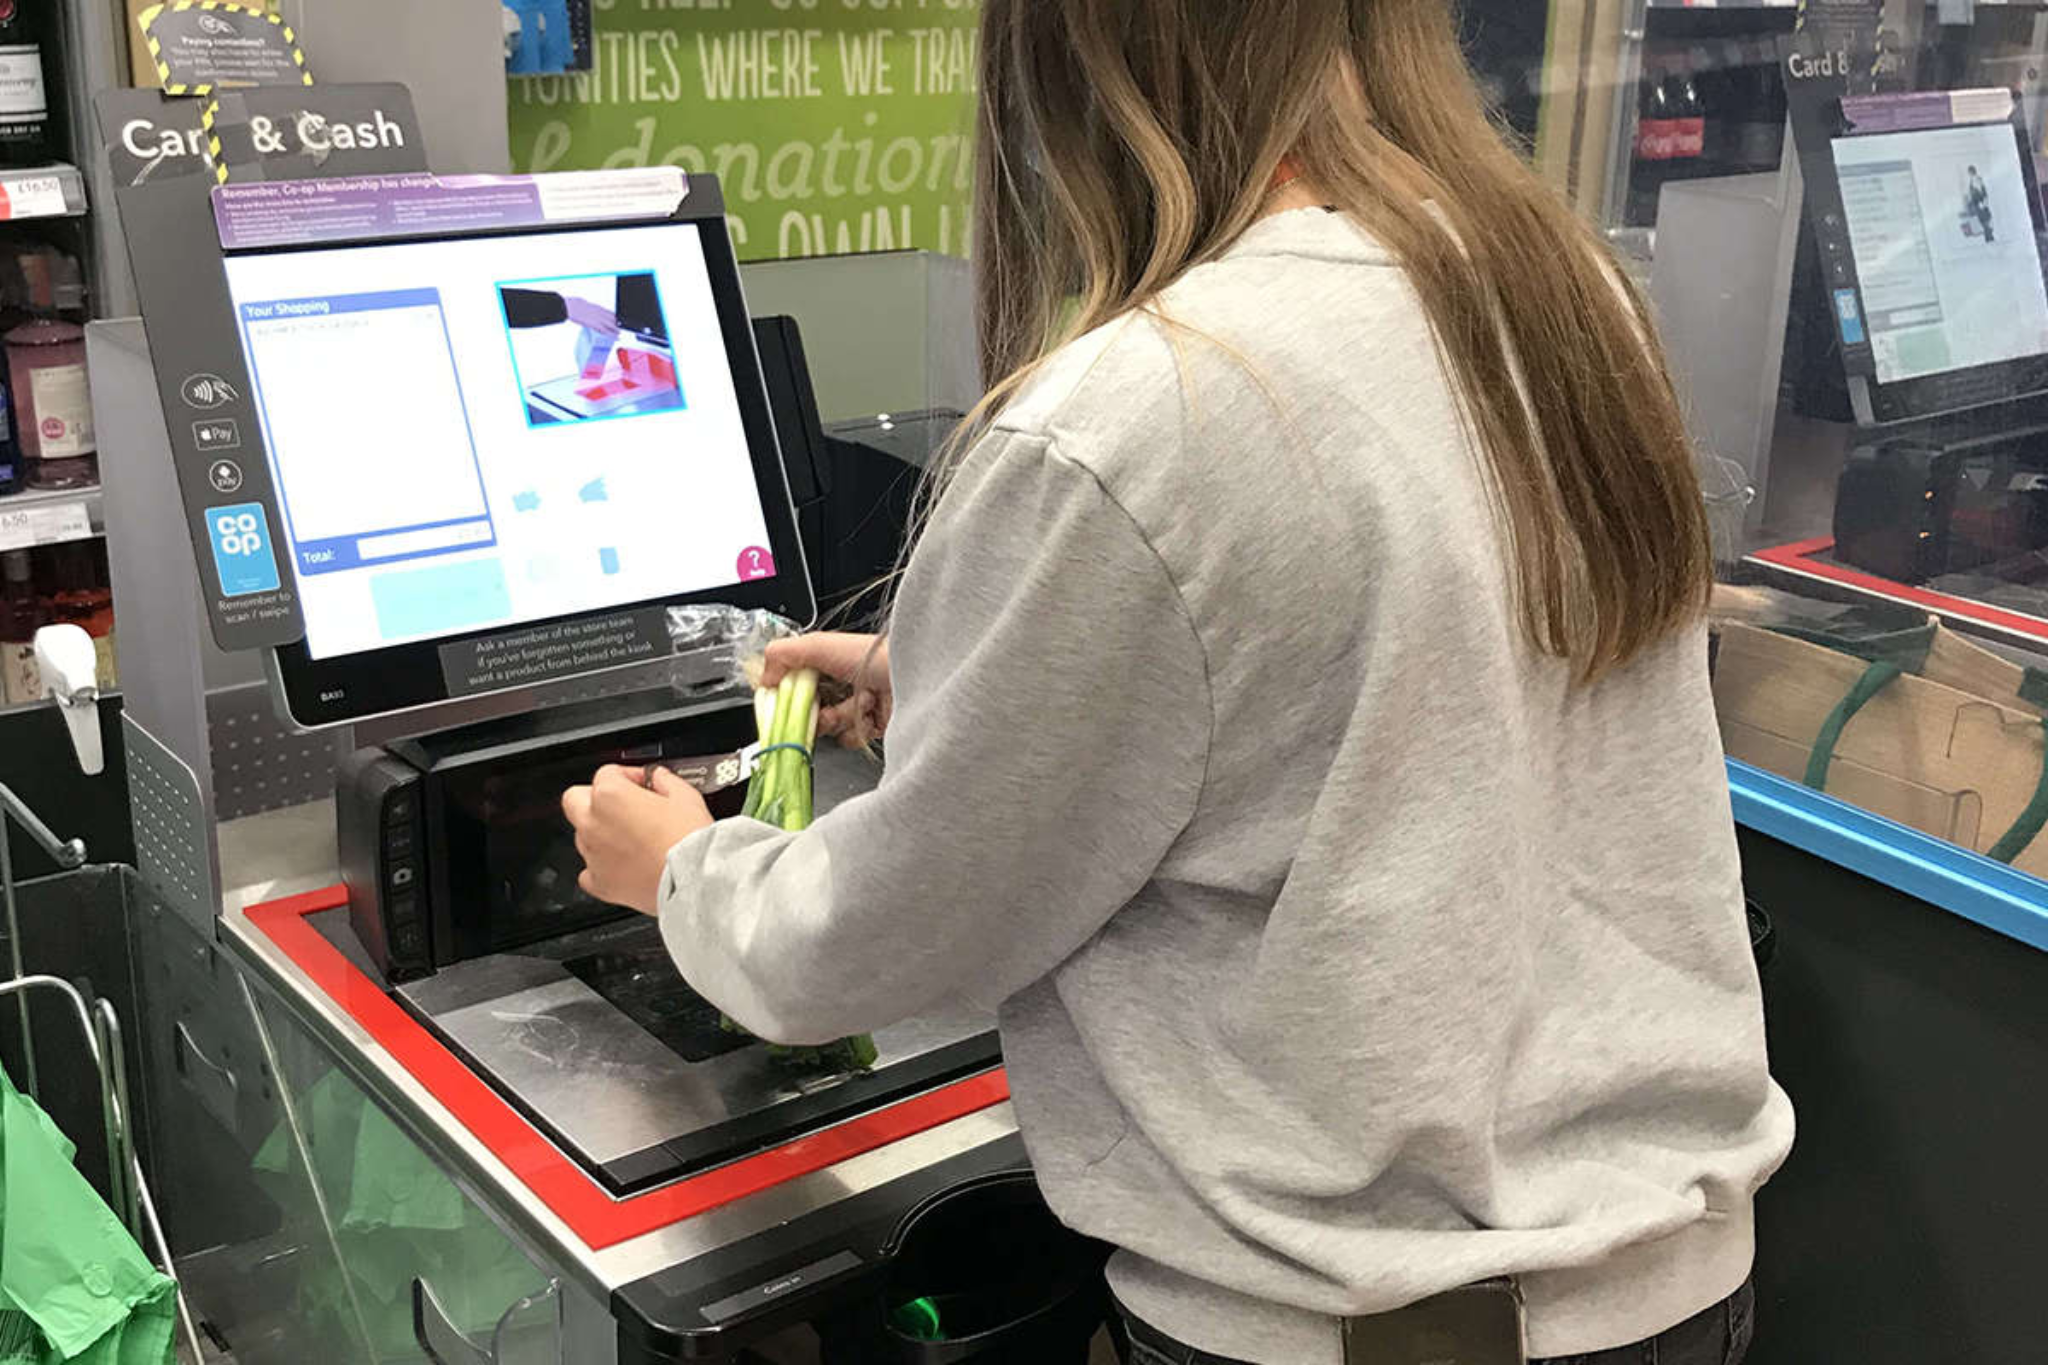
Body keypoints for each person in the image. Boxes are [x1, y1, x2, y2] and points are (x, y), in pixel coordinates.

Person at [563, 1, 1794, 1362]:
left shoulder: (1138, 414)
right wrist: (976, 683)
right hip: (1672, 1288)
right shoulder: (1552, 293)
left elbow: (853, 950)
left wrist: (679, 865)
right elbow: (1403, 676)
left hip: (1378, 1327)